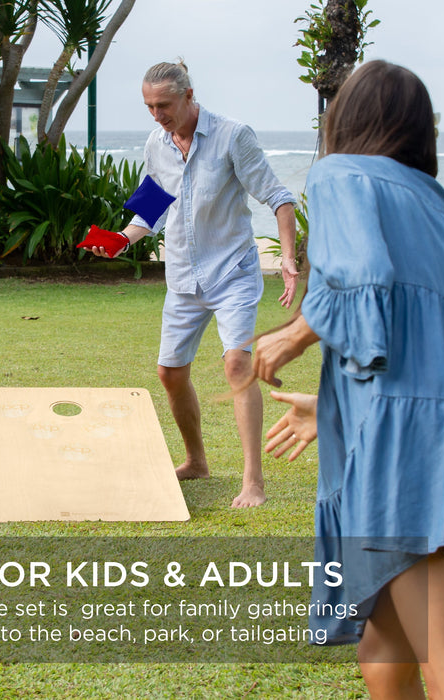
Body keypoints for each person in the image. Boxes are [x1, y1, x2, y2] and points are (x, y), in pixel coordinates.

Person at [252, 61, 444, 698]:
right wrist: (334, 407)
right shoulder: (439, 205)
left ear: (345, 119)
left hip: (409, 448)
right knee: (384, 650)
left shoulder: (339, 173)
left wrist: (293, 335)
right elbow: (433, 336)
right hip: (439, 430)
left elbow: (364, 278)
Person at [85, 60, 298, 508]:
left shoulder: (233, 136)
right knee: (169, 373)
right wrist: (122, 239)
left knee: (237, 367)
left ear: (188, 95)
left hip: (232, 273)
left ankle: (253, 481)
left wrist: (290, 261)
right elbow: (151, 207)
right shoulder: (156, 143)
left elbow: (279, 199)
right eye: (148, 106)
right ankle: (197, 461)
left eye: (163, 104)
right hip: (183, 276)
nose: (156, 114)